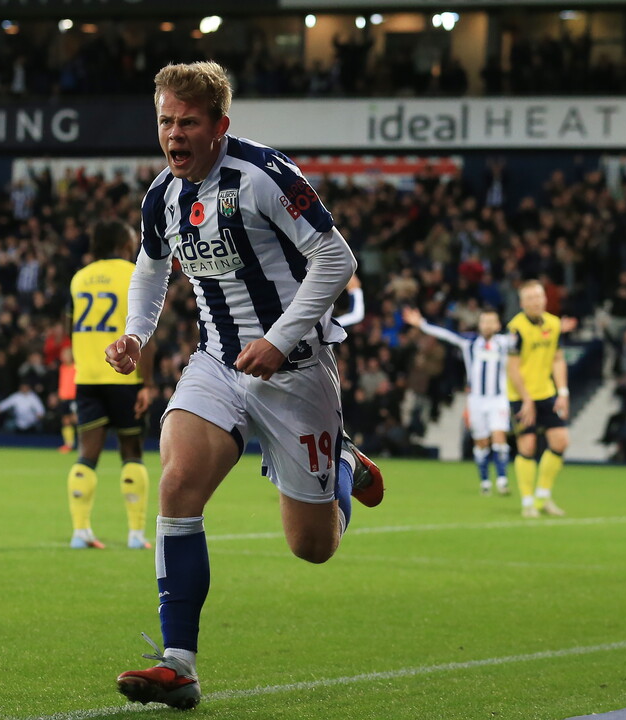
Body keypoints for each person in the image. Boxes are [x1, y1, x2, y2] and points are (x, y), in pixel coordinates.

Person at [105, 61, 384, 710]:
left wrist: (280, 338)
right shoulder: (163, 196)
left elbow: (336, 257)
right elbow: (150, 268)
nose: (174, 134)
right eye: (165, 122)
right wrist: (136, 335)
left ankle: (340, 462)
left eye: (188, 122)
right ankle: (179, 663)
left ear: (219, 126)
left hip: (295, 372)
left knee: (312, 548)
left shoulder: (264, 176)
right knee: (175, 483)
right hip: (216, 364)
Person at [67, 219, 156, 551]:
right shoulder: (134, 273)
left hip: (87, 376)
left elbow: (69, 326)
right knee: (131, 452)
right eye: (132, 238)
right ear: (122, 243)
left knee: (87, 454)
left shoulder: (79, 278)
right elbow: (145, 333)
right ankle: (135, 534)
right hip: (124, 374)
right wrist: (146, 383)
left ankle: (80, 532)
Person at [403, 306, 513, 495]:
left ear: (497, 325)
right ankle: (485, 481)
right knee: (481, 442)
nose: (487, 325)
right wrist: (421, 324)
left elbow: (528, 337)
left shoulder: (504, 343)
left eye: (490, 322)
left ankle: (502, 480)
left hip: (498, 399)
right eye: (484, 321)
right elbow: (445, 334)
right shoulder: (469, 342)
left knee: (499, 437)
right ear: (479, 324)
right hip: (476, 400)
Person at [506, 280, 574, 518]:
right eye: (530, 298)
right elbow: (513, 368)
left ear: (545, 299)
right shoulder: (516, 329)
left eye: (539, 297)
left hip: (546, 393)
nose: (536, 301)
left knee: (561, 441)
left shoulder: (554, 324)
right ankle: (527, 502)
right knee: (528, 445)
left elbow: (557, 359)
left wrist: (562, 392)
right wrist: (526, 399)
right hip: (520, 395)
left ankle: (543, 496)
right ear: (523, 303)